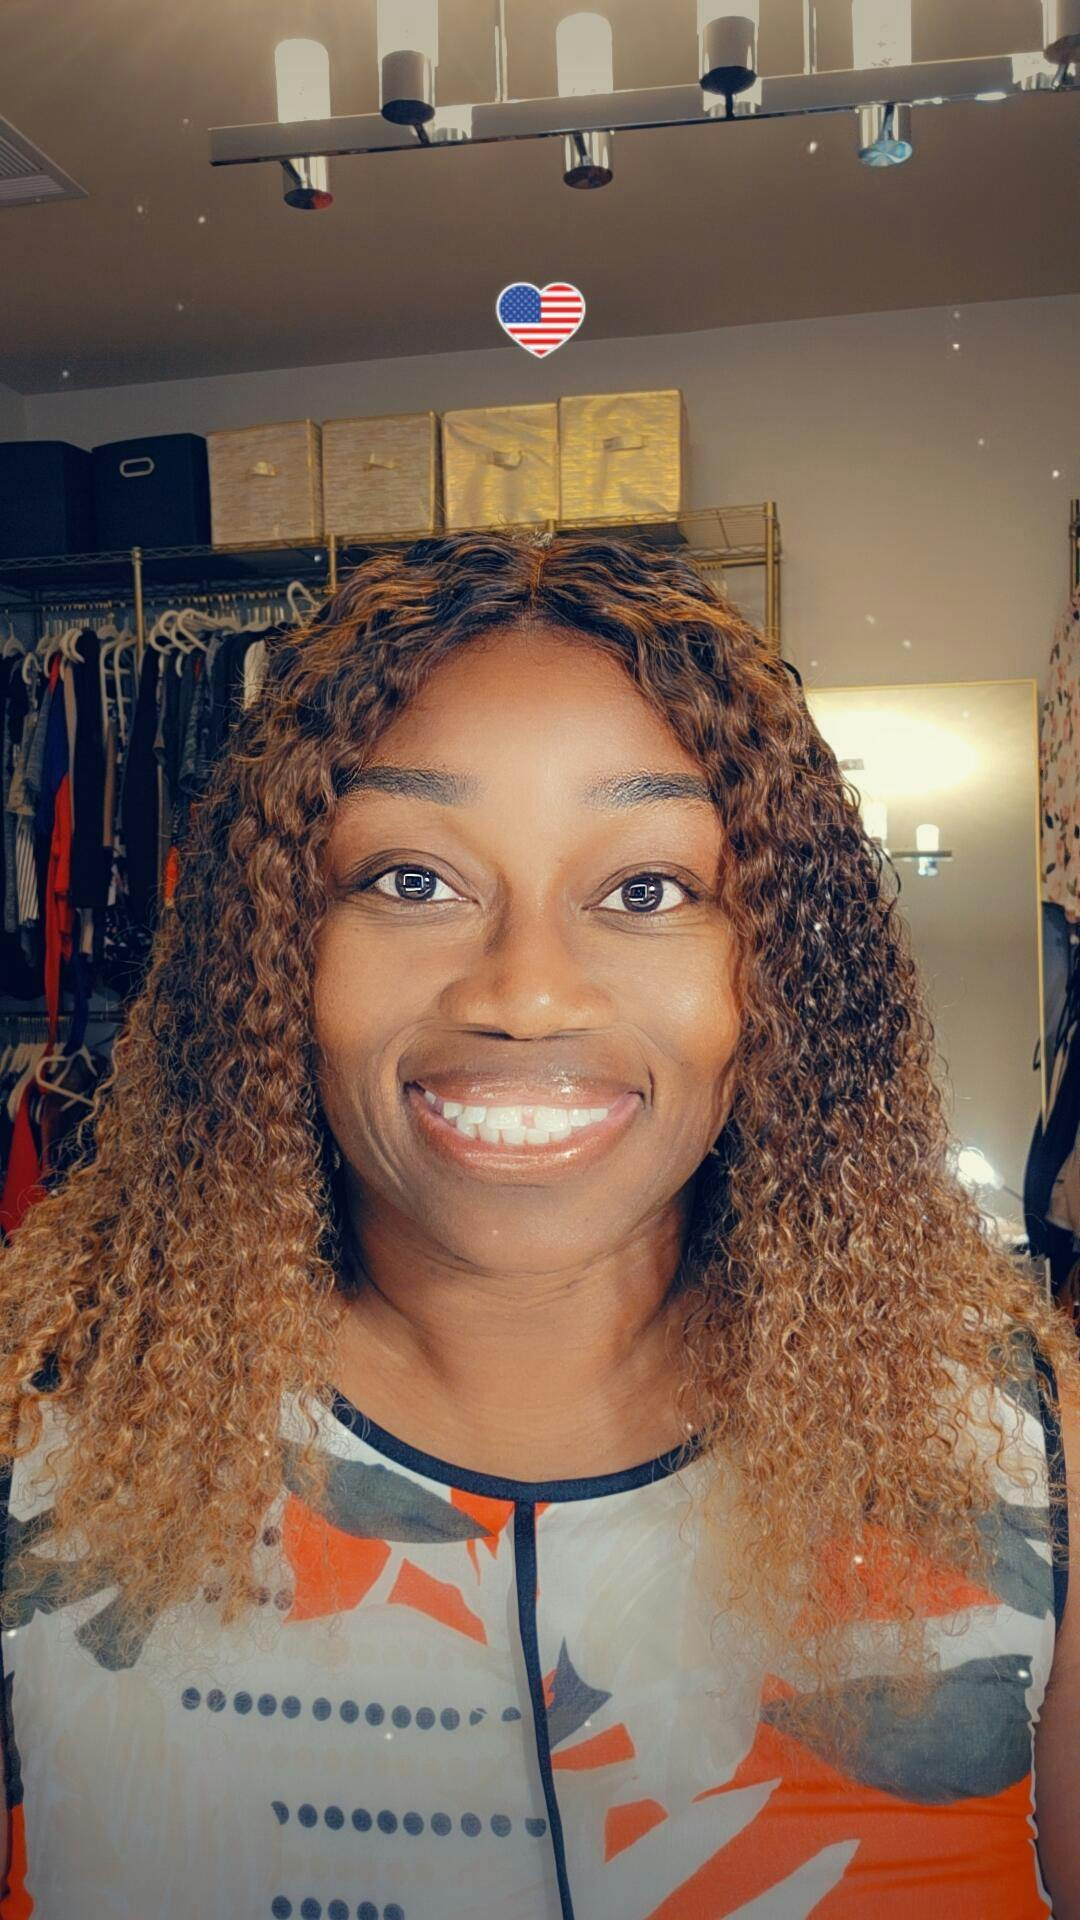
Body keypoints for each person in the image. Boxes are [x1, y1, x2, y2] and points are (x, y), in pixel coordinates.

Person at [0, 528, 1077, 1920]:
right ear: (273, 954)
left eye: (646, 890)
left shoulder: (1034, 1457)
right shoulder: (31, 1434)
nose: (524, 993)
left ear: (780, 980)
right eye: (411, 880)